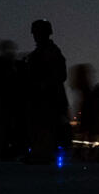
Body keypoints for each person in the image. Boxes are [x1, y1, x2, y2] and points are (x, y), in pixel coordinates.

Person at [22, 19, 69, 162]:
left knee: (45, 125)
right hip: (40, 97)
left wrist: (44, 83)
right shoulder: (40, 52)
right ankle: (40, 151)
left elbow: (60, 75)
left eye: (38, 33)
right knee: (38, 125)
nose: (36, 36)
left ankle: (43, 153)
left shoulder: (51, 52)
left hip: (48, 97)